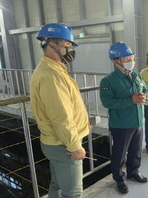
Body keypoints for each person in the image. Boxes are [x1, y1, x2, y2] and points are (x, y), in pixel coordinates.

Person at [30, 23, 90, 198]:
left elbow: (68, 107)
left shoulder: (55, 70)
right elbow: (60, 117)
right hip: (62, 144)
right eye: (68, 44)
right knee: (73, 193)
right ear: (53, 45)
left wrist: (83, 125)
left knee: (57, 185)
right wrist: (74, 146)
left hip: (57, 141)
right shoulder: (51, 75)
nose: (71, 48)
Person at [100, 42, 148, 194]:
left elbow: (146, 90)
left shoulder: (137, 75)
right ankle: (119, 178)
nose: (130, 60)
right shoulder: (108, 80)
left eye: (131, 57)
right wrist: (131, 100)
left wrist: (144, 97)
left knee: (136, 150)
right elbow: (108, 102)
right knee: (120, 153)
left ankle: (133, 172)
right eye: (126, 58)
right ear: (115, 61)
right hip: (121, 124)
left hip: (138, 121)